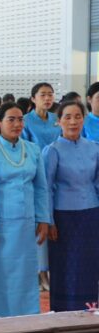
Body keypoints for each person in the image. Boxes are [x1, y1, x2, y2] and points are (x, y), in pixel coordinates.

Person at [0, 102, 50, 319]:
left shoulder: (33, 150)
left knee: (25, 275)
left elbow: (41, 188)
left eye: (20, 119)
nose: (17, 124)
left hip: (27, 224)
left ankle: (26, 319)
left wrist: (43, 219)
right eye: (11, 119)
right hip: (0, 227)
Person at [42, 101, 99, 311]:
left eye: (77, 116)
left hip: (91, 214)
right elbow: (46, 188)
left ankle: (90, 310)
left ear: (84, 120)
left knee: (89, 265)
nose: (73, 121)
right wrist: (49, 220)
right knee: (66, 266)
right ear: (59, 121)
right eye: (67, 117)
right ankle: (63, 312)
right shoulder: (52, 151)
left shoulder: (94, 148)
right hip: (63, 217)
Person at [21, 82, 60, 291]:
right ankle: (40, 271)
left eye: (50, 94)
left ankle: (52, 269)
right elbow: (24, 149)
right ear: (33, 98)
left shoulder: (56, 119)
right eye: (43, 94)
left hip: (59, 175)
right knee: (40, 222)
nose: (47, 98)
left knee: (55, 222)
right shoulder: (26, 121)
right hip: (36, 175)